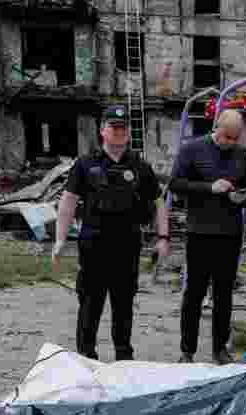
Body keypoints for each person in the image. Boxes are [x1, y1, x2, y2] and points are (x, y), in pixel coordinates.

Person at [51, 104, 168, 361]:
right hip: (94, 244)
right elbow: (68, 201)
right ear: (102, 130)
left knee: (124, 305)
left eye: (123, 128)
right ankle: (86, 357)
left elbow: (158, 202)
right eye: (113, 127)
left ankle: (124, 358)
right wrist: (60, 239)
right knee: (90, 304)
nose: (119, 132)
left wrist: (163, 237)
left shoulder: (139, 166)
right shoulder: (86, 164)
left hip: (127, 245)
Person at [168, 109, 246, 365]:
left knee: (224, 295)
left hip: (230, 234)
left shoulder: (242, 155)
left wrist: (243, 196)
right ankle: (187, 350)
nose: (229, 142)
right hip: (199, 232)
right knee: (194, 294)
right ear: (216, 128)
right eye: (226, 137)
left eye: (234, 138)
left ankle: (220, 348)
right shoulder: (192, 149)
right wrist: (210, 187)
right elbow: (175, 183)